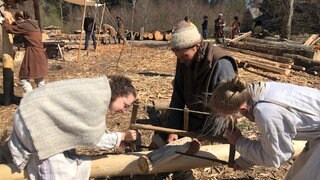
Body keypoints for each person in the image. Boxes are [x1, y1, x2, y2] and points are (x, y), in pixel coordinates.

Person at [151, 20, 238, 179]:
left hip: (214, 123)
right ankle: (156, 172)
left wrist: (199, 137)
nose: (182, 60)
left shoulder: (221, 64)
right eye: (179, 57)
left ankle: (181, 173)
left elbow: (225, 113)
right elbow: (177, 96)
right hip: (193, 118)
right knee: (159, 141)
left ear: (196, 46)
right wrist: (173, 130)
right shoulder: (183, 60)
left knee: (182, 151)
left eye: (184, 56)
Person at [8, 75, 138, 179]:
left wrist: (118, 139)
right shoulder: (97, 98)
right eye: (125, 105)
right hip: (31, 122)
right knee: (60, 171)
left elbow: (91, 130)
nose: (124, 111)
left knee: (69, 158)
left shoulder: (98, 90)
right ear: (118, 94)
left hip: (29, 112)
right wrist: (121, 137)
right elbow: (95, 138)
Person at [210, 76, 320, 180]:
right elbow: (270, 141)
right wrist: (246, 161)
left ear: (242, 109)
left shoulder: (266, 112)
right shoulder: (258, 91)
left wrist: (239, 142)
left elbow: (277, 156)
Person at [2, 10, 48, 96]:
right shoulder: (33, 24)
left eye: (17, 20)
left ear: (20, 18)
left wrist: (4, 20)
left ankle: (29, 97)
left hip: (33, 54)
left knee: (23, 77)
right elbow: (18, 25)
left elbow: (10, 29)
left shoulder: (25, 26)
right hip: (40, 53)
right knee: (39, 79)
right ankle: (43, 99)